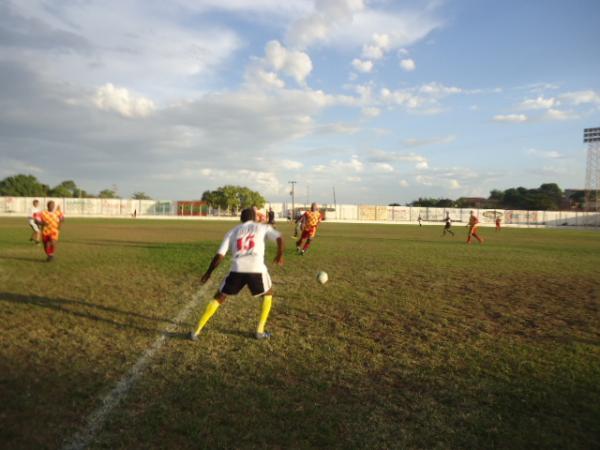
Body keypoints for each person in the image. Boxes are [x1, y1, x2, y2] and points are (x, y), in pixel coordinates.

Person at [190, 208, 284, 341]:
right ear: (255, 218)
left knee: (219, 297)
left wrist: (208, 272)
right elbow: (279, 237)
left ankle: (196, 331)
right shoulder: (262, 227)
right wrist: (280, 254)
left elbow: (219, 256)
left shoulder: (232, 231)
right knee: (268, 294)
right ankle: (260, 331)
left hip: (237, 270)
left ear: (241, 219)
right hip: (256, 269)